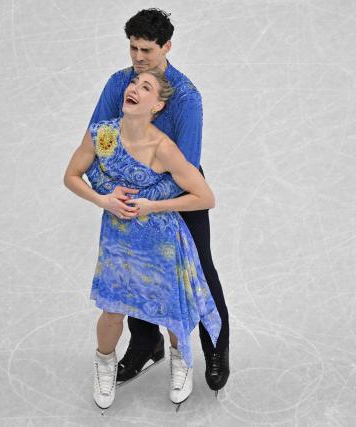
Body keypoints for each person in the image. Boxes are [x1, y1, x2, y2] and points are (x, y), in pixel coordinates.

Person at [89, 8, 230, 395]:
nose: (137, 57)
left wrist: (145, 199)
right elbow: (99, 141)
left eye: (146, 50)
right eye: (133, 48)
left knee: (198, 268)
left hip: (178, 194)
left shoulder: (185, 97)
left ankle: (216, 348)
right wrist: (109, 188)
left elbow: (188, 163)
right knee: (137, 274)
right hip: (129, 197)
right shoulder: (119, 84)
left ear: (166, 46)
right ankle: (145, 343)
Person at [63, 69, 222, 409]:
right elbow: (71, 176)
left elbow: (204, 197)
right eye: (134, 83)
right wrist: (102, 200)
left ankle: (180, 361)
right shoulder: (103, 135)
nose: (134, 88)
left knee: (170, 307)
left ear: (157, 105)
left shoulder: (163, 148)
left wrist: (154, 205)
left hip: (161, 241)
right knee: (112, 309)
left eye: (145, 87)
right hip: (118, 241)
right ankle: (104, 364)